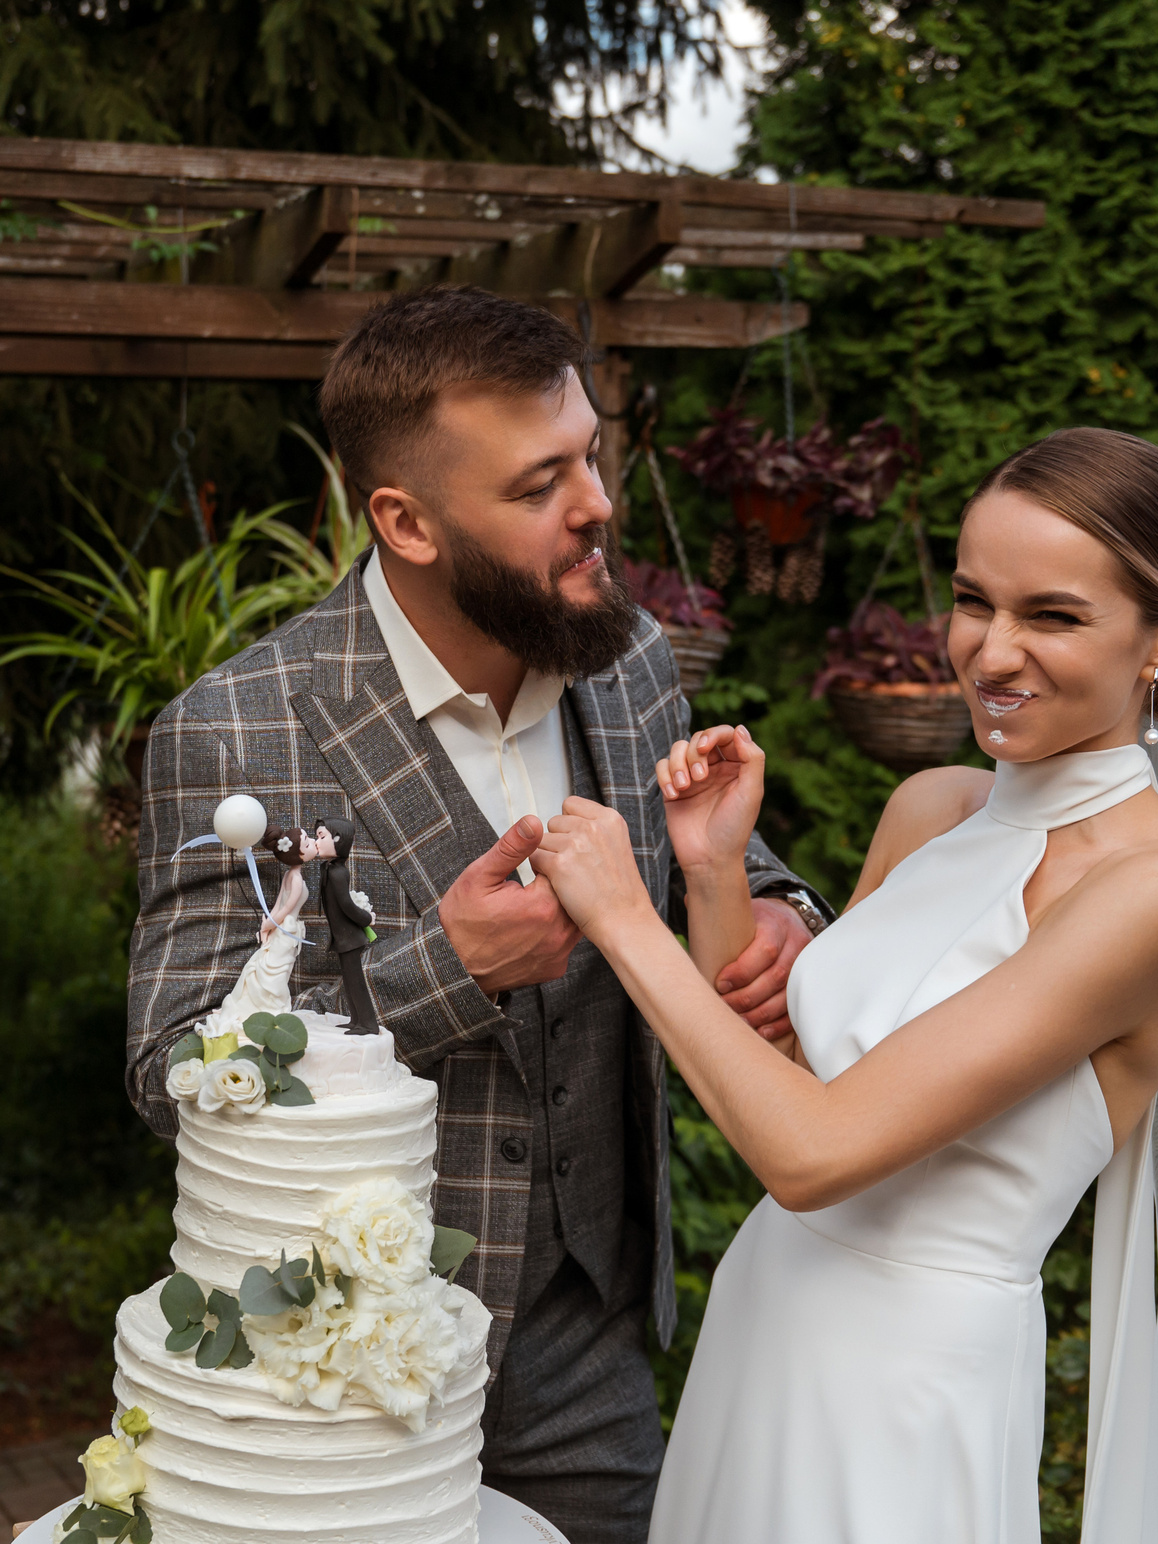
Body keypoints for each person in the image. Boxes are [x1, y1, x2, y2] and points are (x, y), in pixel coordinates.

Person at [530, 428, 1158, 1543]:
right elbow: (775, 1089)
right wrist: (711, 872)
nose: (990, 652)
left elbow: (812, 1154)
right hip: (768, 1319)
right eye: (976, 600)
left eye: (1053, 616)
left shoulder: (1153, 899)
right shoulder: (931, 808)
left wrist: (625, 918)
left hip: (908, 1384)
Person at [127, 285, 830, 1543]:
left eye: (592, 458)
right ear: (405, 519)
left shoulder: (631, 662)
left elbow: (710, 856)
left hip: (591, 1343)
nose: (598, 507)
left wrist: (776, 905)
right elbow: (171, 1065)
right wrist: (447, 965)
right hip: (338, 1390)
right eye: (537, 485)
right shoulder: (239, 726)